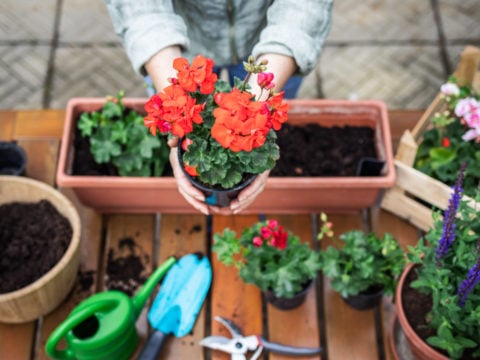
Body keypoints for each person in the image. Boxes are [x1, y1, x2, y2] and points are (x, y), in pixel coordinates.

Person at [104, 0, 333, 215]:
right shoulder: (188, 88)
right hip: (176, 48)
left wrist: (257, 111)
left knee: (270, 109)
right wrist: (176, 106)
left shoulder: (247, 108)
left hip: (275, 46)